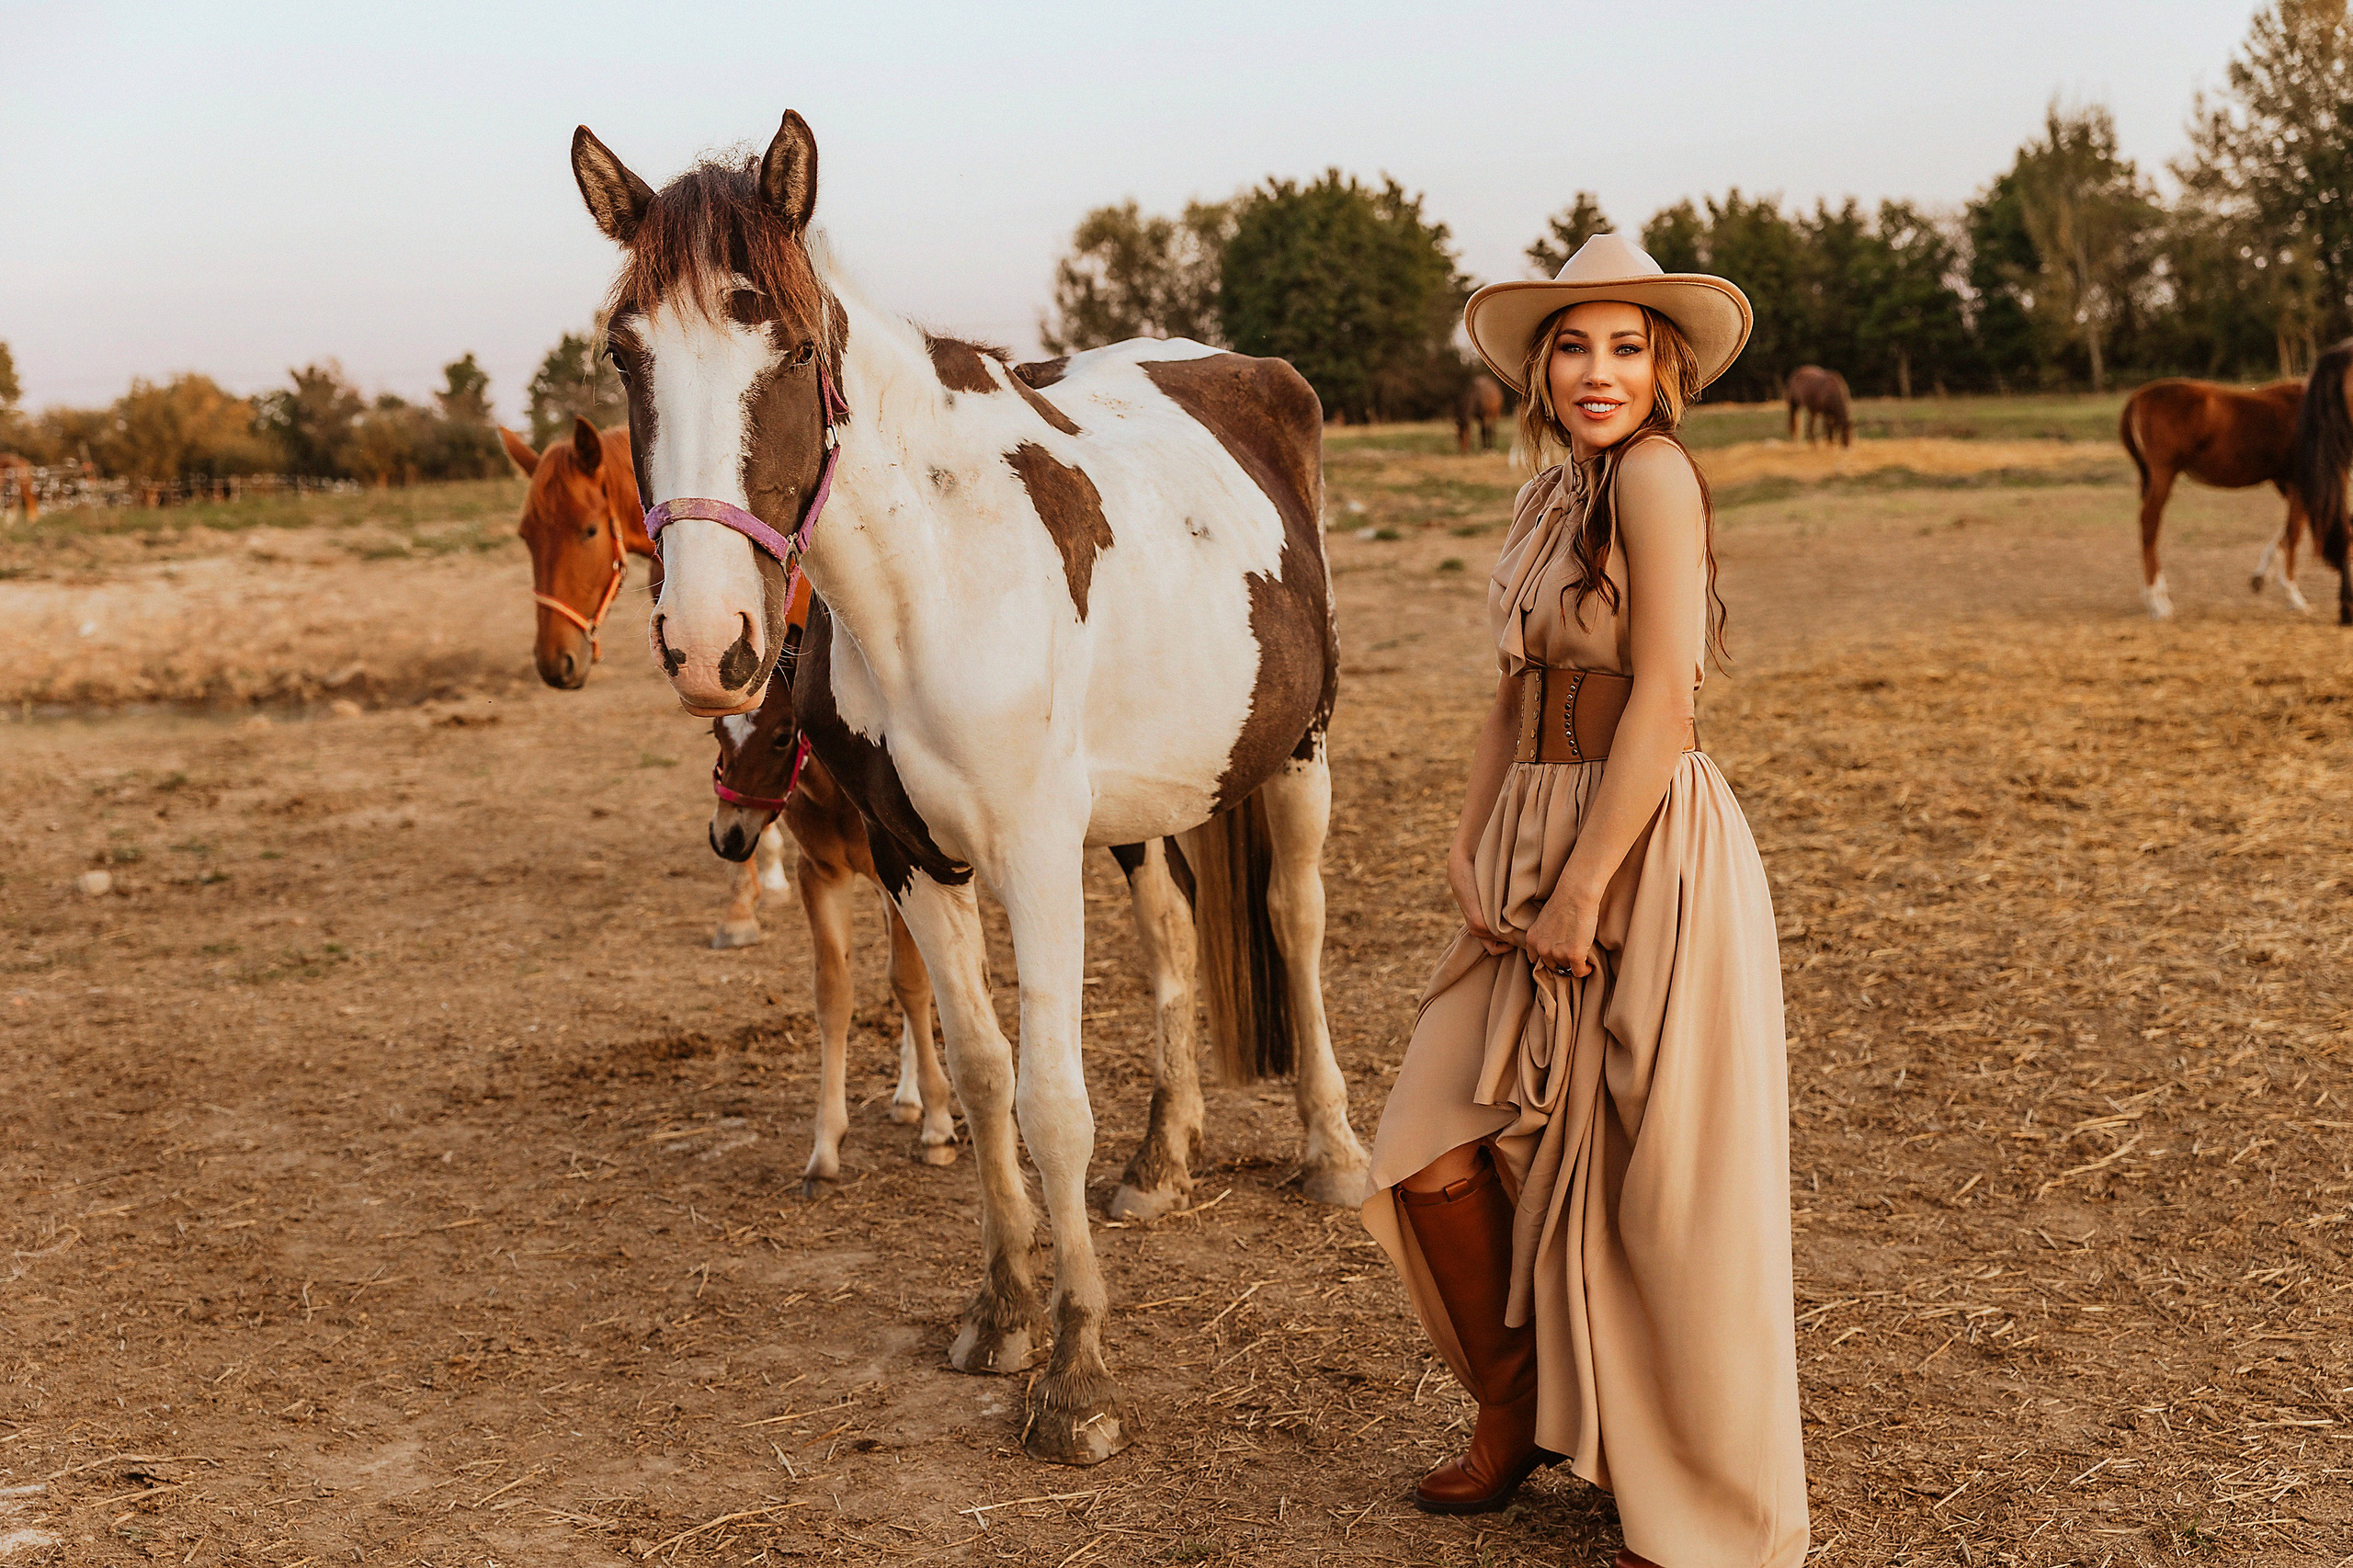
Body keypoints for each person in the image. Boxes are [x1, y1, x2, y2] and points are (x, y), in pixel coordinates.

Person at [1360, 234, 1808, 1568]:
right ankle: (1519, 1404)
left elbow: (1664, 699)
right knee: (1429, 1140)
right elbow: (1511, 691)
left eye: (1625, 345)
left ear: (1663, 366)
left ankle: (1700, 1508)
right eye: (1572, 344)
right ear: (1541, 369)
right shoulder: (1547, 496)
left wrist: (1585, 887)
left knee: (1656, 1186)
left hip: (1643, 845)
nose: (1597, 370)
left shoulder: (1659, 480)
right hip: (1531, 837)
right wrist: (1471, 839)